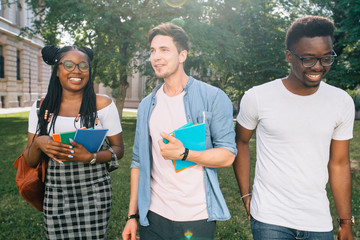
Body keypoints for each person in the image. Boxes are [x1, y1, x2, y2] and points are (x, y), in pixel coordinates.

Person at [233, 16, 355, 240]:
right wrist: (245, 193)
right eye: (308, 59)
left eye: (326, 58)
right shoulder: (258, 97)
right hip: (270, 218)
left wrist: (345, 222)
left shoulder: (341, 101)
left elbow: (339, 164)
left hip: (318, 220)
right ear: (289, 56)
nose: (318, 67)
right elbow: (240, 141)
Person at [121, 22, 237, 240]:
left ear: (182, 55)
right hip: (153, 216)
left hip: (196, 216)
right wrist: (132, 216)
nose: (156, 57)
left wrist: (184, 154)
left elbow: (227, 155)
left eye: (164, 50)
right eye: (153, 51)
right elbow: (137, 162)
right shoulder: (147, 105)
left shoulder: (213, 97)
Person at [23, 45, 124, 239]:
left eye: (83, 65)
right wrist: (38, 144)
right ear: (57, 70)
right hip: (56, 193)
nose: (76, 70)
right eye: (68, 64)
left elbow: (118, 149)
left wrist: (91, 157)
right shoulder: (40, 108)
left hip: (95, 193)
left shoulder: (102, 104)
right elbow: (30, 160)